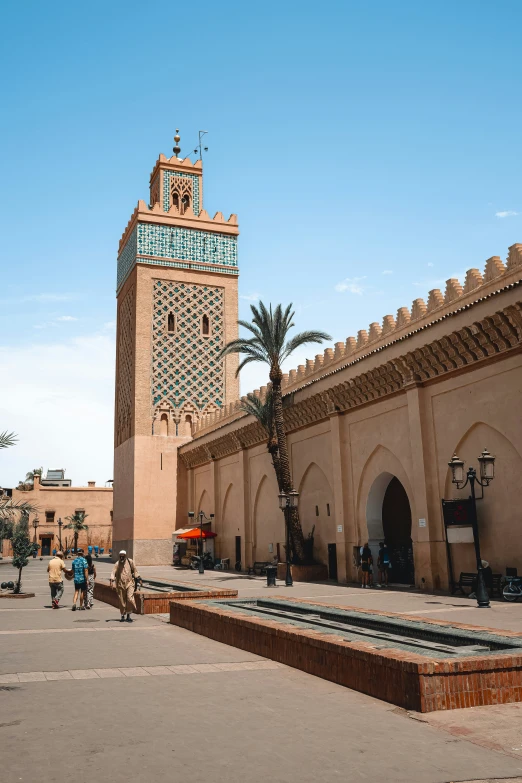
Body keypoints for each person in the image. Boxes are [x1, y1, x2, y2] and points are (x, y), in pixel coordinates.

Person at [110, 550, 141, 622]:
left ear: (125, 556)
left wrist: (139, 578)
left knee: (129, 598)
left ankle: (129, 614)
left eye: (123, 556)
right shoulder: (117, 564)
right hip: (120, 585)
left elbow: (135, 570)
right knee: (122, 601)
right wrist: (111, 580)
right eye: (120, 556)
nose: (121, 557)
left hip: (130, 583)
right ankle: (123, 615)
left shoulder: (130, 562)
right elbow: (113, 572)